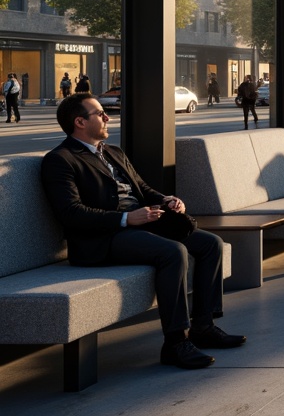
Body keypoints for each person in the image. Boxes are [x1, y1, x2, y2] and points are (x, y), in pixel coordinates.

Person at [41, 93, 244, 370]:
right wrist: (126, 218)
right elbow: (71, 213)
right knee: (173, 252)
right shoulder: (61, 160)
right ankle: (175, 343)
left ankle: (204, 327)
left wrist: (166, 200)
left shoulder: (113, 152)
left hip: (142, 224)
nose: (106, 117)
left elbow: (143, 190)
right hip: (103, 239)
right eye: (99, 113)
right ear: (79, 121)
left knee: (211, 244)